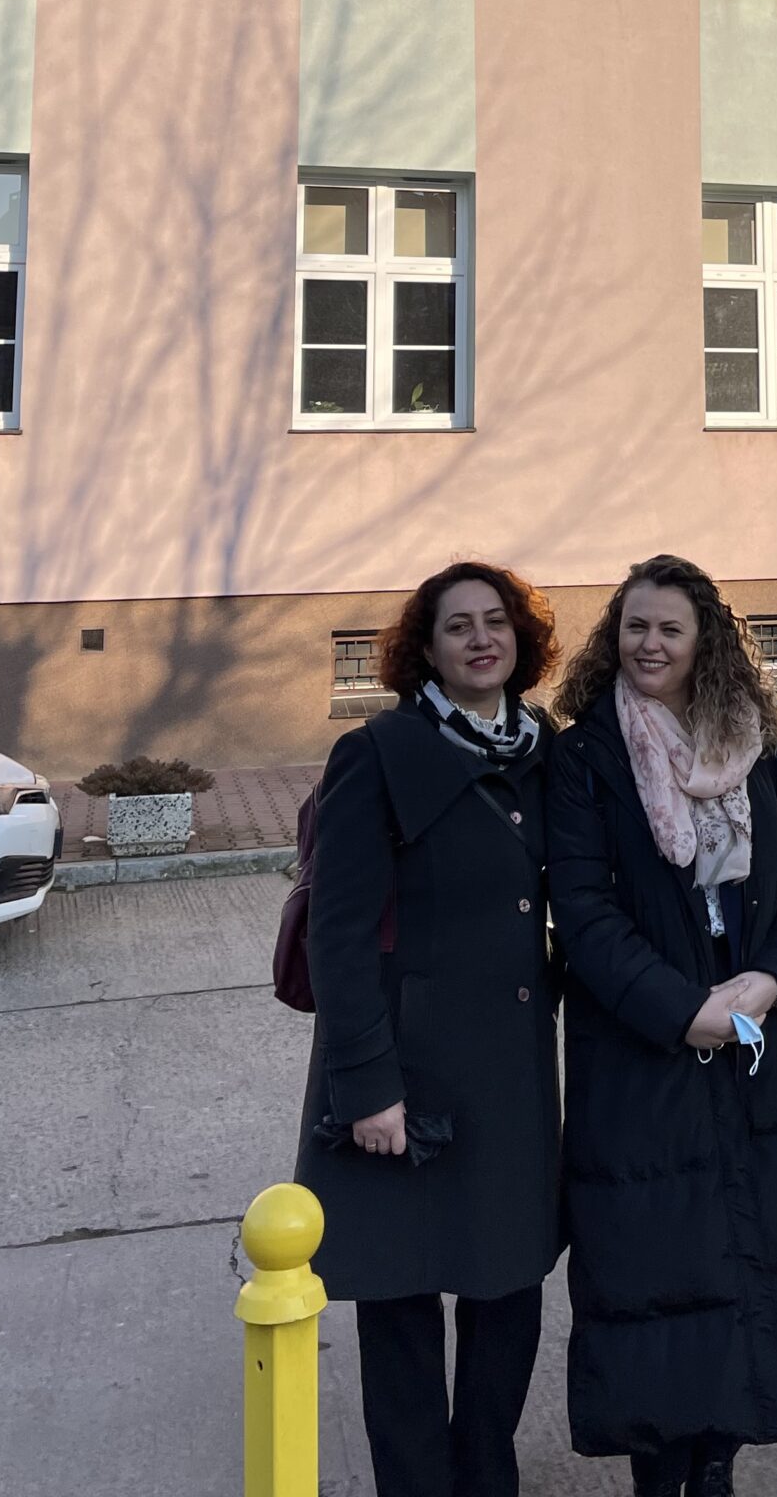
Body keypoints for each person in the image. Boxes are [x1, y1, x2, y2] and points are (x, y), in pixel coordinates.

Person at [546, 553, 777, 1497]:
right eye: (635, 627)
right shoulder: (587, 755)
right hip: (644, 1052)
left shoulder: (760, 736)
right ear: (616, 637)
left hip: (765, 1040)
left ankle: (718, 1459)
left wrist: (773, 981)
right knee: (653, 1268)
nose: (650, 645)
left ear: (703, 642)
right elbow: (586, 911)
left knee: (754, 1250)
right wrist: (682, 1011)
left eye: (669, 630)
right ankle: (659, 1465)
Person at [294, 560, 561, 1497]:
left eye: (497, 622)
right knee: (402, 1303)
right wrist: (367, 1083)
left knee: (509, 1290)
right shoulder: (379, 753)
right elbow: (340, 930)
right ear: (428, 650)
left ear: (521, 640)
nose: (482, 638)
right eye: (459, 627)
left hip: (511, 1074)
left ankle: (486, 1475)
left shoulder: (542, 746)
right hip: (405, 1071)